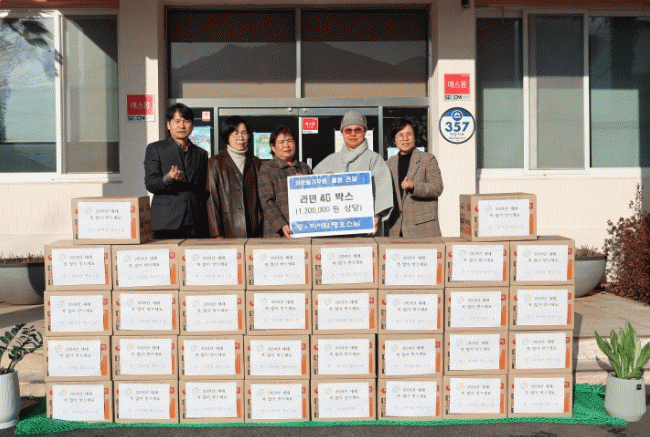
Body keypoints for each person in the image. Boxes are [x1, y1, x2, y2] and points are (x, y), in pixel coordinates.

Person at [313, 110, 393, 234]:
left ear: (364, 132)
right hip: (334, 229)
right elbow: (311, 191)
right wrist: (322, 183)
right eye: (348, 130)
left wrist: (377, 216)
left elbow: (383, 190)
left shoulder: (375, 159)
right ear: (342, 133)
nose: (353, 134)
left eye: (358, 130)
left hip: (365, 228)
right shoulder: (329, 161)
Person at [144, 103, 208, 239]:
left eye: (186, 121)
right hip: (166, 221)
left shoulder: (201, 153)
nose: (182, 126)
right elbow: (150, 184)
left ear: (192, 125)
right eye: (177, 121)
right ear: (168, 125)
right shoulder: (156, 149)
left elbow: (203, 188)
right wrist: (168, 178)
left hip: (195, 221)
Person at [206, 116, 263, 238]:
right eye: (235, 133)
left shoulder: (256, 163)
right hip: (228, 230)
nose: (240, 137)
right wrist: (216, 233)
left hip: (255, 231)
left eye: (244, 133)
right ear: (227, 135)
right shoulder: (215, 163)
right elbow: (211, 200)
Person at [386, 117, 443, 237]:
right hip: (396, 228)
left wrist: (413, 186)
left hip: (422, 227)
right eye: (400, 135)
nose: (405, 139)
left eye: (409, 134)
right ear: (394, 140)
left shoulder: (427, 159)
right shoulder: (389, 163)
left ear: (415, 137)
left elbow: (437, 188)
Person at [258, 126, 313, 237]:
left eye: (289, 141)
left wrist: (327, 181)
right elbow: (267, 201)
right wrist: (281, 224)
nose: (286, 145)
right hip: (277, 233)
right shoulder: (267, 169)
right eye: (281, 142)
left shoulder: (305, 168)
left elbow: (315, 197)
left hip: (304, 230)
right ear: (273, 147)